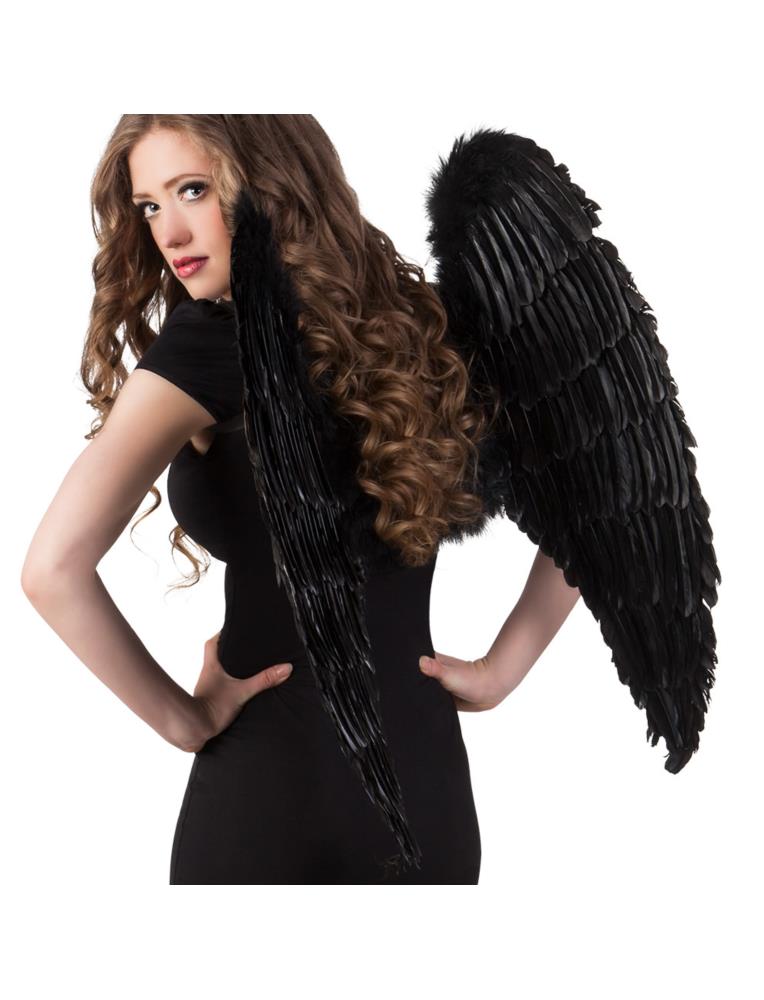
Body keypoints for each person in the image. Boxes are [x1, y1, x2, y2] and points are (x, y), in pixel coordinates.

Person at [20, 115, 718, 883]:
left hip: (263, 801)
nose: (170, 231)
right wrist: (500, 669)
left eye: (194, 190)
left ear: (273, 183)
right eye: (149, 205)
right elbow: (606, 477)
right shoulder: (431, 336)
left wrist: (185, 720)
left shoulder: (208, 345)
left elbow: (52, 570)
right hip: (427, 793)